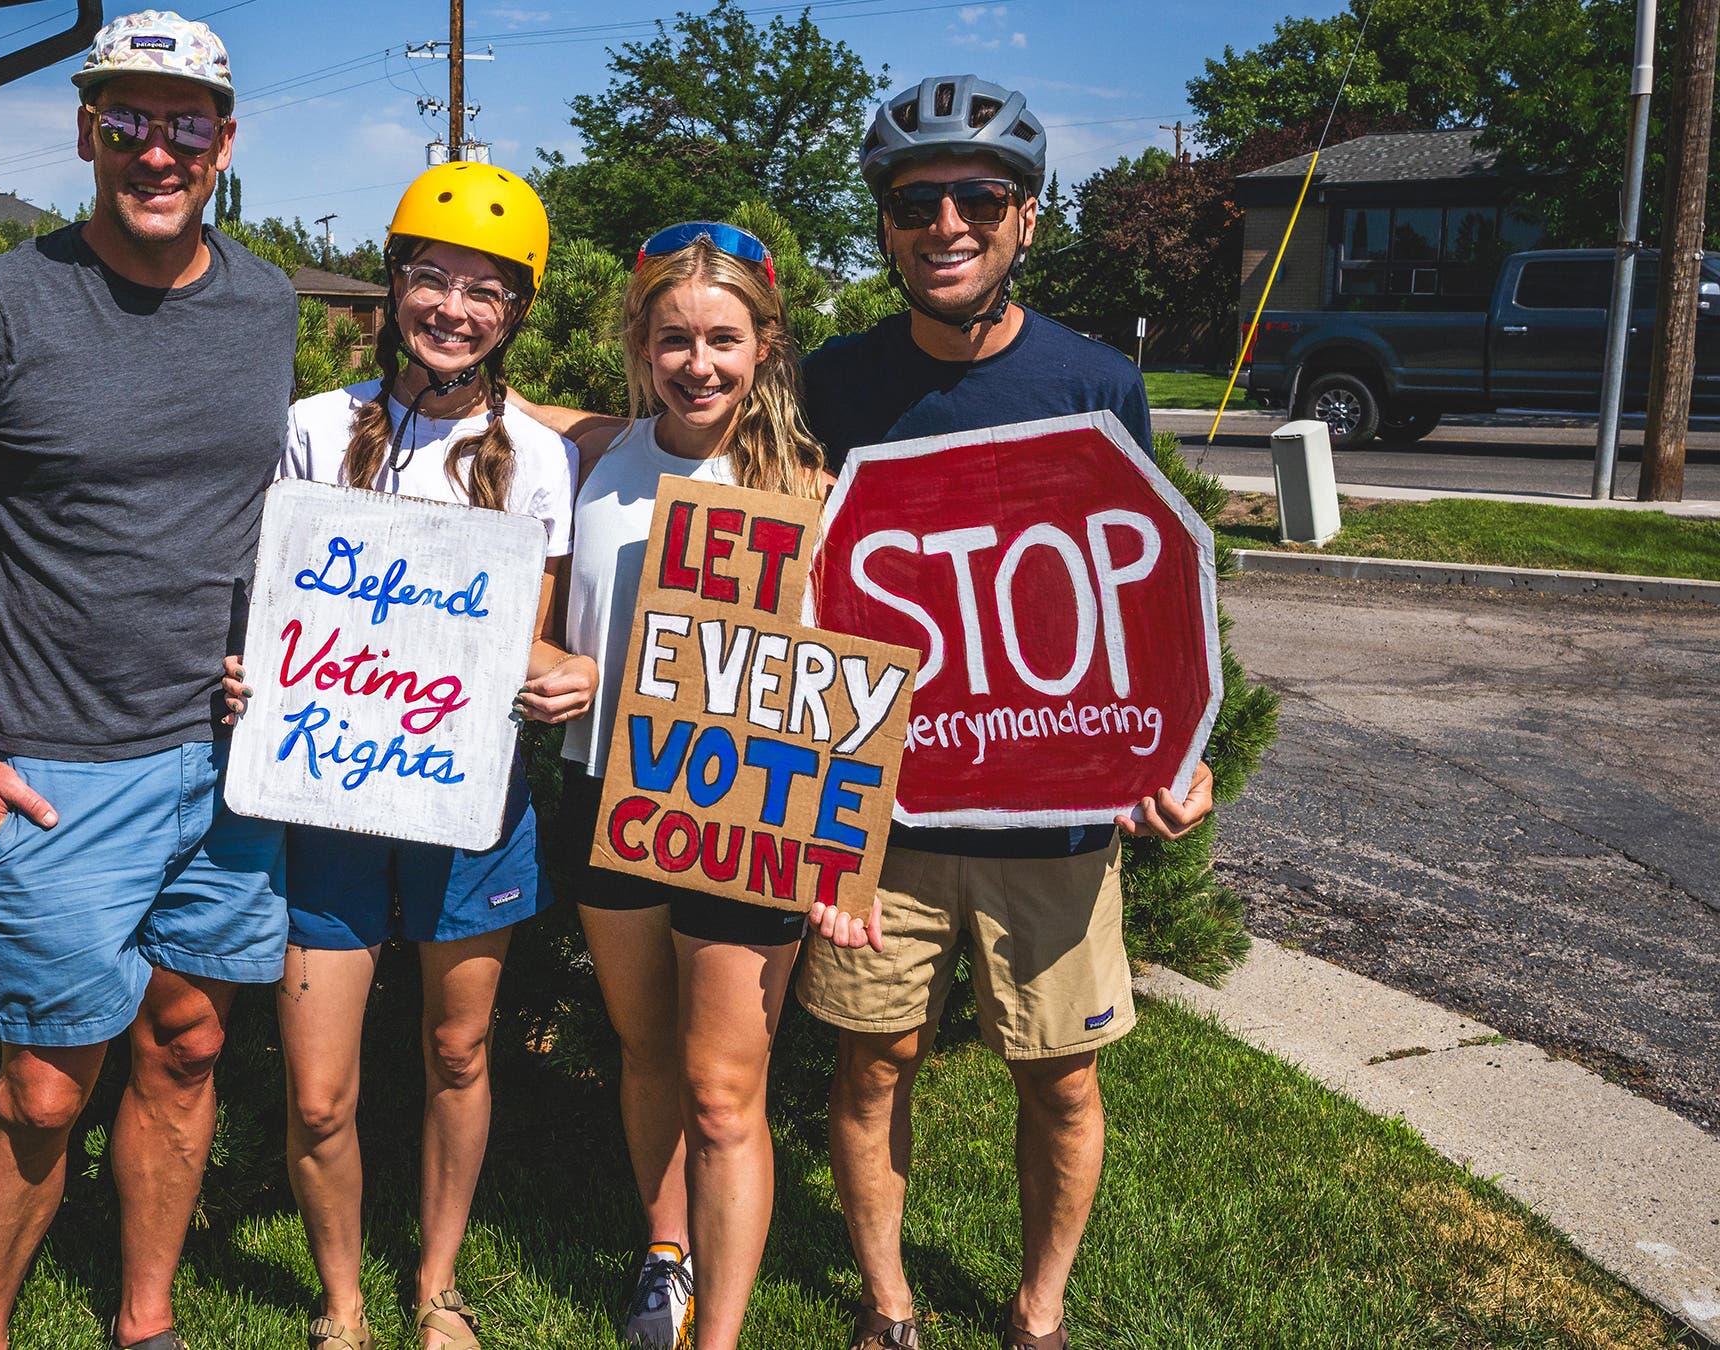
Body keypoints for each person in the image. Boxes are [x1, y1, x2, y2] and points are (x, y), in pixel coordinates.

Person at [0, 13, 292, 1350]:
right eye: (128, 121)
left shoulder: (268, 303)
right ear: (85, 127)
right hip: (55, 771)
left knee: (189, 1045)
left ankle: (143, 1319)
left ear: (226, 140)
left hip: (230, 764)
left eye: (186, 123)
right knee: (44, 1087)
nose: (157, 150)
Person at [791, 75, 1217, 1350]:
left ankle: (1039, 1317)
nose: (948, 223)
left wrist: (1174, 758)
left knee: (1063, 1079)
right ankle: (888, 1308)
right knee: (870, 1069)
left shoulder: (1097, 382)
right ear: (886, 225)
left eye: (980, 197)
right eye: (918, 202)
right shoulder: (834, 386)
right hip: (881, 814)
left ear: (1026, 218)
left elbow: (1144, 600)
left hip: (1054, 818)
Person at [223, 163, 595, 1350]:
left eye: (484, 290)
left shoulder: (540, 457)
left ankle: (436, 1287)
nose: (452, 306)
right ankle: (341, 1306)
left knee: (456, 1048)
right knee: (320, 1090)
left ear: (517, 312)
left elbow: (535, 627)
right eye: (429, 277)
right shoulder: (315, 428)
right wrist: (255, 677)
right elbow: (282, 610)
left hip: (469, 794)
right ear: (390, 286)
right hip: (326, 784)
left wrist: (561, 671)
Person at [520, 221, 877, 1350]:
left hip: (747, 817)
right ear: (639, 344)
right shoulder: (591, 457)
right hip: (607, 798)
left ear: (766, 345)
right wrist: (551, 670)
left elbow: (844, 694)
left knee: (725, 1089)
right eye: (673, 339)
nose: (699, 363)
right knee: (644, 1050)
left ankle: (716, 1337)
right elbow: (491, 422)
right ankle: (664, 1255)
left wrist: (839, 853)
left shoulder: (810, 490)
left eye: (724, 338)